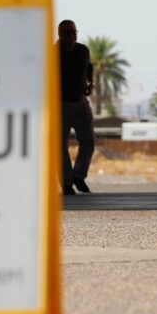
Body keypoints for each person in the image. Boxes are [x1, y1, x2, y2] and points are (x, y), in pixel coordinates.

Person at [57, 20, 95, 195]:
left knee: (88, 141)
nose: (71, 36)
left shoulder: (83, 50)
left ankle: (79, 175)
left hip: (81, 103)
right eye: (67, 33)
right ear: (60, 35)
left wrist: (91, 83)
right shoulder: (52, 54)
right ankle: (66, 183)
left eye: (74, 32)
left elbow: (89, 67)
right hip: (61, 105)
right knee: (60, 146)